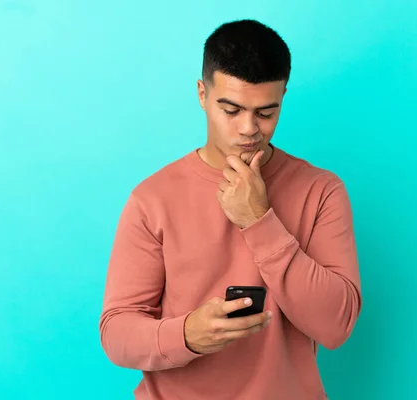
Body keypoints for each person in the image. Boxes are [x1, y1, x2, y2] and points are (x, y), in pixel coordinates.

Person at [99, 18, 362, 400]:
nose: (248, 129)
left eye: (266, 113)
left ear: (283, 97)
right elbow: (117, 333)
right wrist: (187, 334)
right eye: (231, 109)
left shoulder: (321, 191)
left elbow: (336, 325)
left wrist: (259, 221)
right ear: (202, 94)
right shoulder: (151, 199)